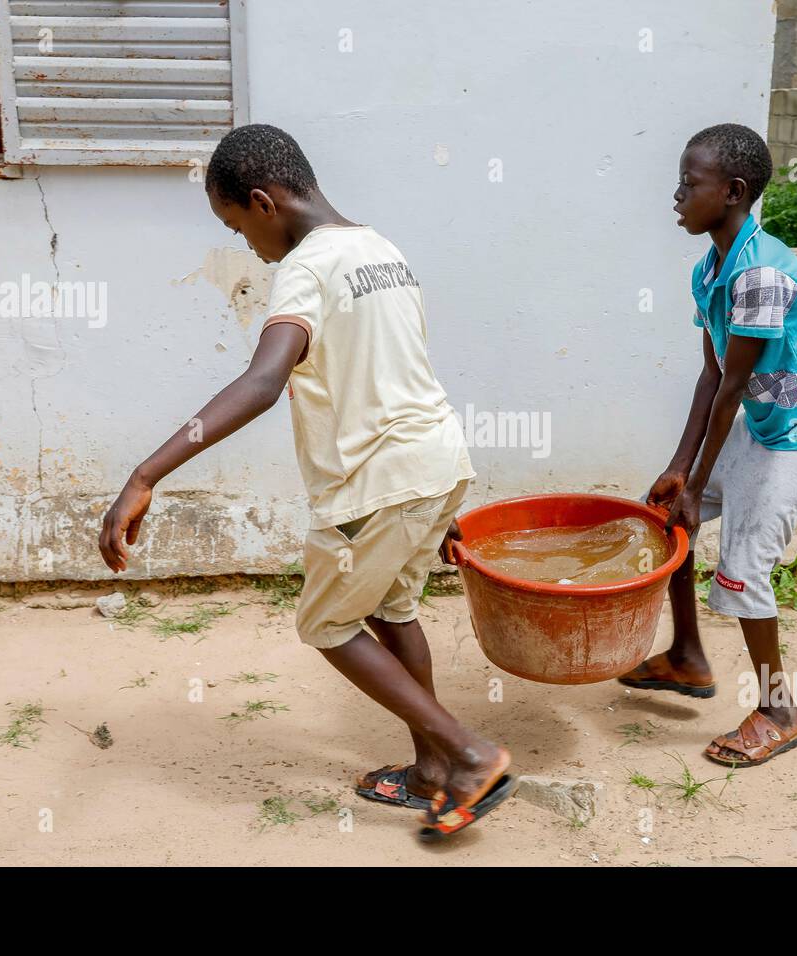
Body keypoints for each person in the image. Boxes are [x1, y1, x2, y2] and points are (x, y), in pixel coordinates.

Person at [98, 124, 514, 840]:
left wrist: (145, 474)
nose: (248, 247)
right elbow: (396, 368)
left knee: (325, 623)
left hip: (375, 480)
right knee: (393, 608)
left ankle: (470, 754)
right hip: (435, 460)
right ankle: (431, 772)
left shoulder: (307, 267)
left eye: (237, 226)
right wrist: (431, 504)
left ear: (263, 201)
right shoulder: (381, 249)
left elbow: (264, 381)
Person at [619, 124, 797, 767]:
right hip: (762, 420)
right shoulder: (712, 266)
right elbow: (711, 372)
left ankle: (780, 709)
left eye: (688, 184)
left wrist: (699, 484)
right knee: (669, 514)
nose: (675, 195)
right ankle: (688, 657)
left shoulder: (761, 276)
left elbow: (731, 387)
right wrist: (679, 473)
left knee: (744, 567)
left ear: (733, 192)